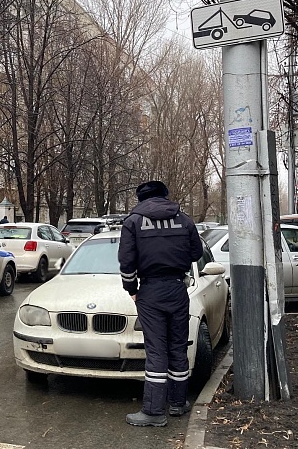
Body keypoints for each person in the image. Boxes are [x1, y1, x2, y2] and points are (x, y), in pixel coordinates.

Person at [118, 180, 203, 427]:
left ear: (141, 199)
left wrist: (132, 290)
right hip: (178, 289)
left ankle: (154, 412)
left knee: (156, 350)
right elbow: (196, 253)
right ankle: (178, 403)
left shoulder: (133, 222)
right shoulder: (184, 220)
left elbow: (126, 263)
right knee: (178, 346)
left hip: (151, 291)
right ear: (165, 196)